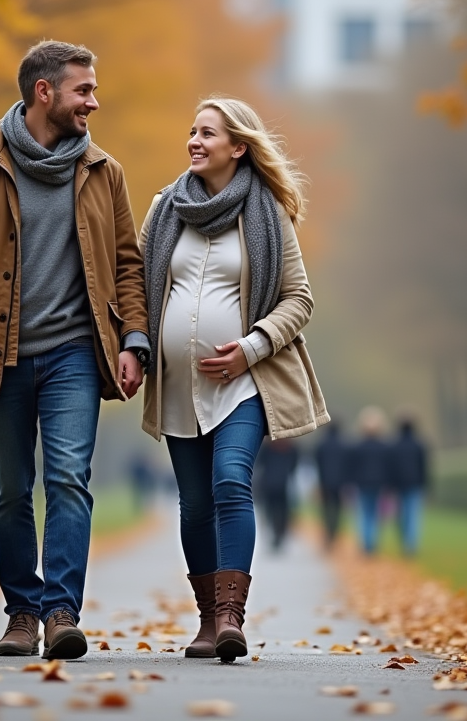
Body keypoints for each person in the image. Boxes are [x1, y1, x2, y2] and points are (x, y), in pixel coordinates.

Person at [0, 41, 149, 660]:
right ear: (43, 92)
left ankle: (60, 613)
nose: (93, 103)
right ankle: (21, 611)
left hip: (76, 351)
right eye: (83, 91)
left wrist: (135, 341)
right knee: (11, 489)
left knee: (69, 480)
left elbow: (127, 264)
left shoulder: (104, 171)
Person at [139, 96, 329, 662]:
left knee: (230, 482)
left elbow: (300, 298)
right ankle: (205, 621)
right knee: (194, 504)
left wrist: (250, 349)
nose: (194, 141)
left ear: (238, 147)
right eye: (191, 131)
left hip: (243, 384)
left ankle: (230, 617)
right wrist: (135, 345)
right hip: (176, 385)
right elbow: (134, 285)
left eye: (208, 134)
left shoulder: (267, 214)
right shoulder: (165, 208)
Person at [387, 412, 429, 557]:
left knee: (402, 516)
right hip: (415, 485)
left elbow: (391, 468)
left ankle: (405, 542)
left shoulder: (394, 445)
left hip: (399, 486)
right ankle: (411, 545)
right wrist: (426, 486)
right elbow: (424, 468)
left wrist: (390, 485)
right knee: (413, 515)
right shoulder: (419, 445)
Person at [350, 406, 389, 556]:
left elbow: (353, 468)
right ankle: (372, 542)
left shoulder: (358, 447)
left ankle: (366, 543)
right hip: (378, 484)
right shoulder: (384, 447)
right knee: (375, 514)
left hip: (362, 484)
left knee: (364, 513)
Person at [254, 437, 300, 553]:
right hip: (283, 483)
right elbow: (294, 464)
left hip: (268, 483)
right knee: (282, 510)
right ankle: (279, 532)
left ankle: (274, 531)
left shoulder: (267, 446)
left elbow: (260, 462)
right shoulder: (290, 447)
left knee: (270, 509)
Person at [313, 423, 349, 551]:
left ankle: (328, 533)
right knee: (337, 510)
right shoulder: (344, 445)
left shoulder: (322, 445)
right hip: (340, 484)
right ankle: (333, 533)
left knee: (326, 510)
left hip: (325, 483)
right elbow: (347, 467)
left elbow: (318, 465)